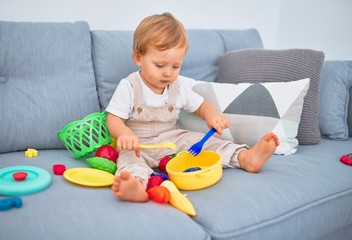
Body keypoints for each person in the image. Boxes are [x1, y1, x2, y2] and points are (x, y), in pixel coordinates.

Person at [105, 12, 279, 202]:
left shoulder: (177, 87)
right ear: (138, 58)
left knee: (204, 143)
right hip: (139, 144)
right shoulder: (129, 86)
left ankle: (244, 158)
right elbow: (113, 119)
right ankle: (135, 186)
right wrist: (124, 134)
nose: (168, 73)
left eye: (175, 66)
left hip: (172, 140)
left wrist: (211, 115)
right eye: (160, 65)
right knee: (129, 160)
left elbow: (201, 105)